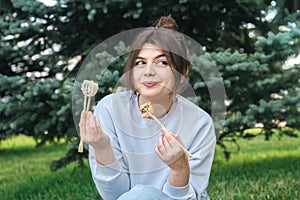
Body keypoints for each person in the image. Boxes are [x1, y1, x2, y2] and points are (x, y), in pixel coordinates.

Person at [79, 15, 216, 200]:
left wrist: (179, 169)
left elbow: (186, 197)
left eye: (162, 62)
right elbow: (115, 195)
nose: (148, 71)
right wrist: (102, 147)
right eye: (140, 63)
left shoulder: (200, 123)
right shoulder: (109, 109)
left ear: (182, 73)